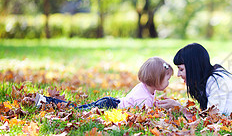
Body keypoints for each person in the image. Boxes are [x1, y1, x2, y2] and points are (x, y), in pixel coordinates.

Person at [35, 57, 173, 110]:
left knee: (79, 108)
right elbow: (143, 113)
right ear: (156, 80)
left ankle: (45, 100)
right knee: (78, 111)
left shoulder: (144, 88)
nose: (168, 82)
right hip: (109, 106)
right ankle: (46, 103)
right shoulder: (143, 97)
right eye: (167, 79)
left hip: (111, 102)